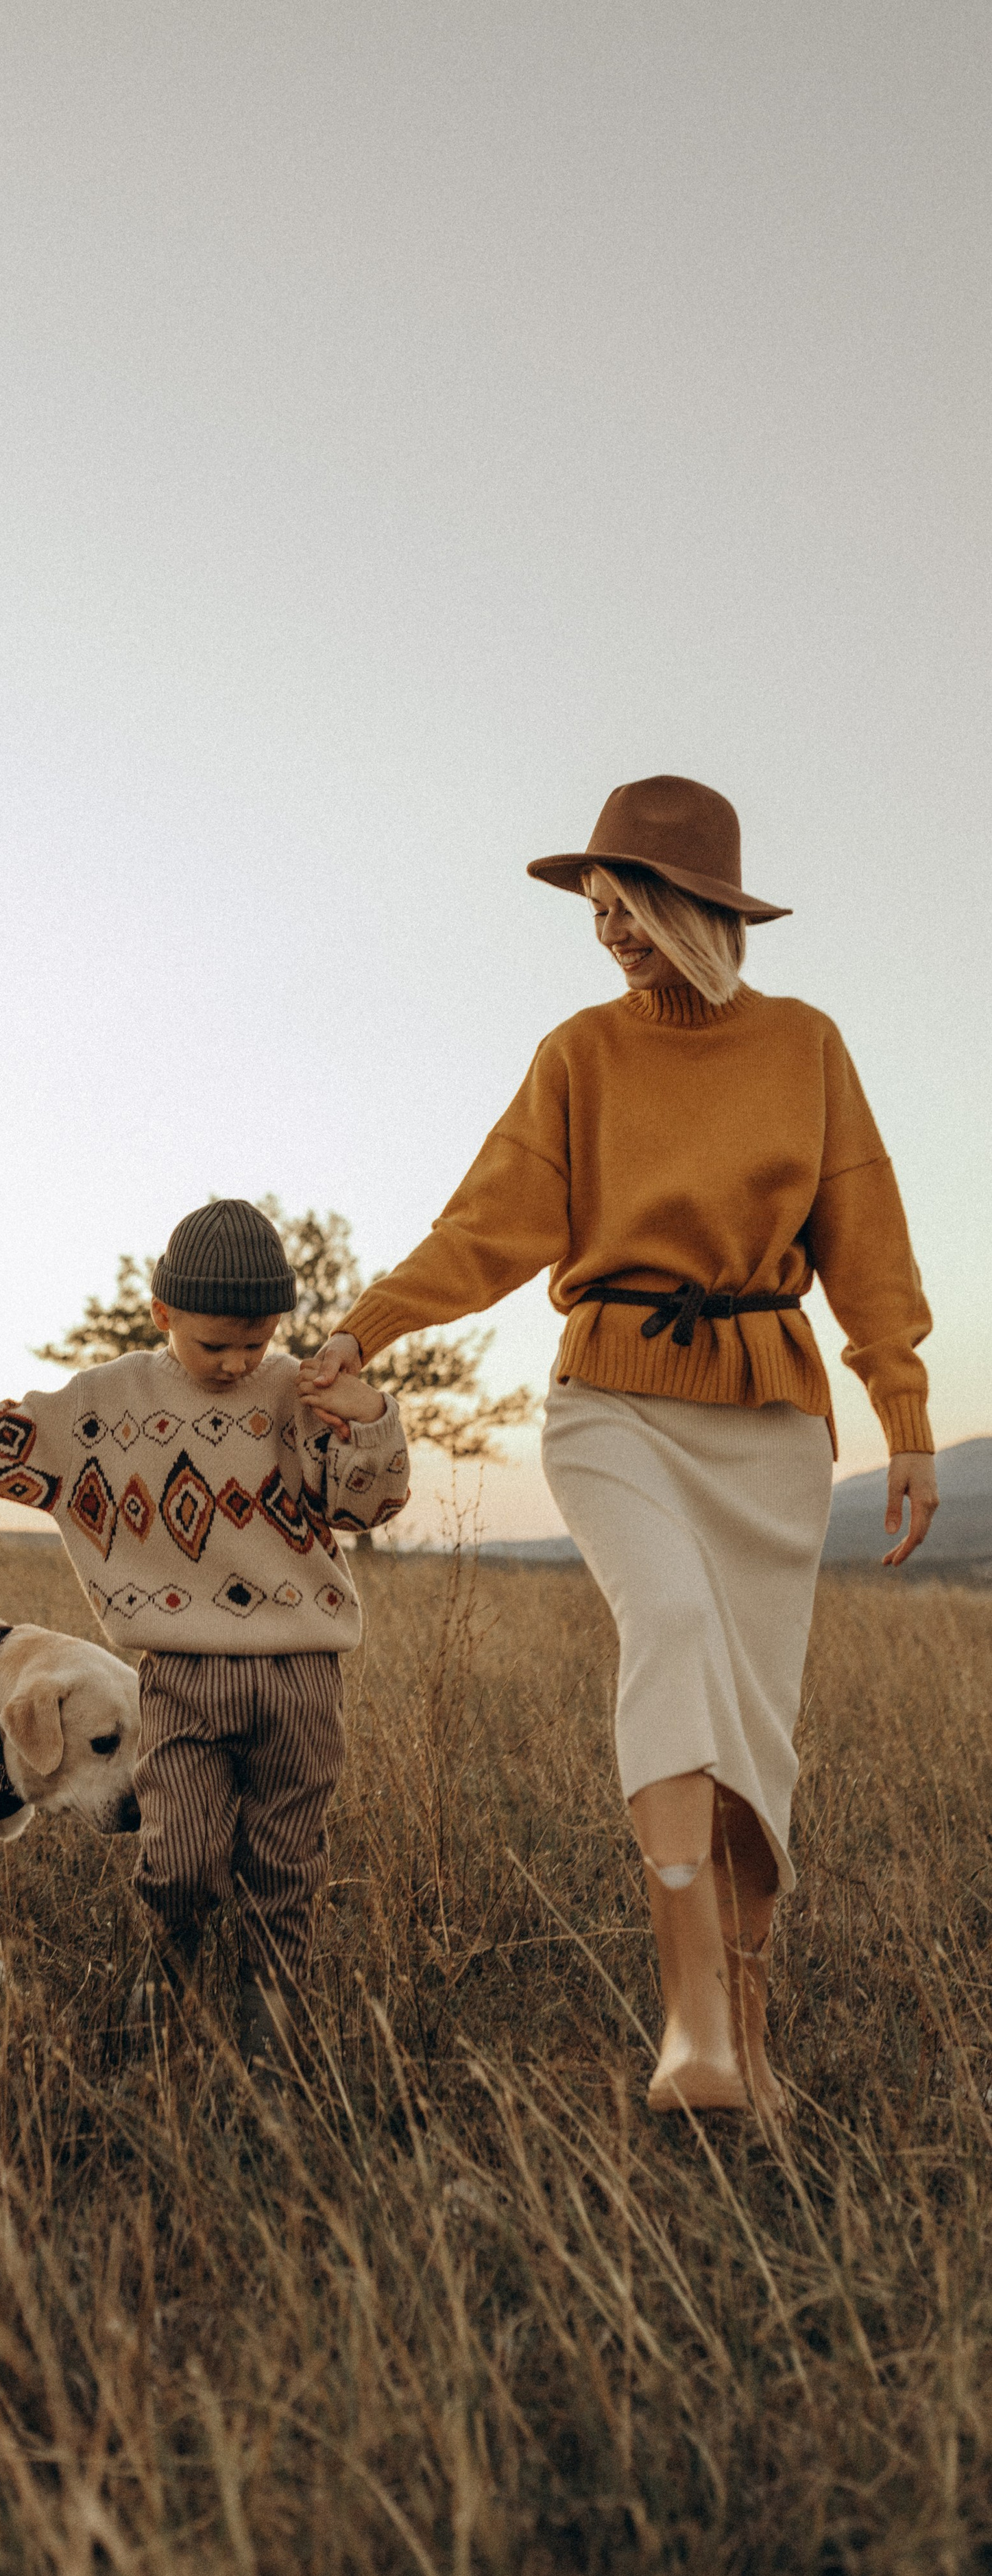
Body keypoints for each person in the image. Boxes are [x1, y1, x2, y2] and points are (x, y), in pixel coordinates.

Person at [300, 776, 938, 2116]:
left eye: (627, 905)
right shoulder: (578, 1055)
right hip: (613, 1404)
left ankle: (749, 2046)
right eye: (593, 910)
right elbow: (484, 1229)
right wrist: (364, 1330)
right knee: (670, 1628)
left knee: (756, 1733)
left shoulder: (805, 1048)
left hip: (767, 1423)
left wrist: (907, 1422)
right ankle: (690, 2026)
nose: (606, 933)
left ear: (696, 905)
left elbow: (868, 1249)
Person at [0, 1197, 409, 2079]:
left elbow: (367, 1504)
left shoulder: (301, 1395)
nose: (239, 1363)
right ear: (163, 1314)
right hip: (181, 1680)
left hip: (303, 1679)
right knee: (181, 1856)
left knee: (284, 1863)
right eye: (215, 1345)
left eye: (258, 1342)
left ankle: (271, 2028)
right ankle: (163, 1989)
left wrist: (373, 1417)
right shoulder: (102, 1407)